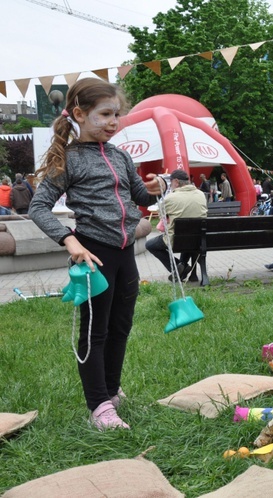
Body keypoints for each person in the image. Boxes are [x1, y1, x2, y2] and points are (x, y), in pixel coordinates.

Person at [28, 78, 165, 430]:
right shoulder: (69, 159)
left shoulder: (120, 156)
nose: (112, 121)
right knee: (96, 331)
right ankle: (98, 406)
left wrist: (156, 188)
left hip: (124, 254)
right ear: (79, 114)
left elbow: (142, 197)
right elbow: (39, 207)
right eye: (104, 114)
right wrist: (70, 241)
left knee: (121, 326)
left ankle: (111, 391)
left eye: (116, 114)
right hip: (93, 256)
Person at [145, 169, 207, 281]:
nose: (171, 185)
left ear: (177, 181)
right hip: (199, 239)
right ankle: (182, 266)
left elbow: (162, 216)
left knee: (150, 245)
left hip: (176, 240)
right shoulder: (201, 194)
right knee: (187, 235)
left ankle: (177, 268)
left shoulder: (170, 198)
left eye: (171, 182)